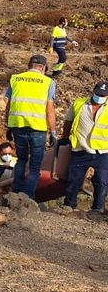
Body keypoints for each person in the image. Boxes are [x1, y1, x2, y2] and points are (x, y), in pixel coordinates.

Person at [5, 54, 57, 199]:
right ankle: (28, 197)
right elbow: (50, 109)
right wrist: (53, 132)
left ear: (29, 65)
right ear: (43, 67)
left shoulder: (15, 79)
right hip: (37, 129)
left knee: (21, 160)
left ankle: (15, 193)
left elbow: (8, 105)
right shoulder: (48, 82)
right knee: (34, 166)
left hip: (18, 126)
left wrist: (8, 126)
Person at [61, 81, 108, 212]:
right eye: (98, 94)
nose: (100, 97)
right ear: (93, 91)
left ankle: (97, 209)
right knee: (74, 179)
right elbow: (68, 121)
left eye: (103, 95)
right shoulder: (79, 104)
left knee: (102, 181)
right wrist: (64, 138)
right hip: (81, 148)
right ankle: (69, 205)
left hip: (103, 151)